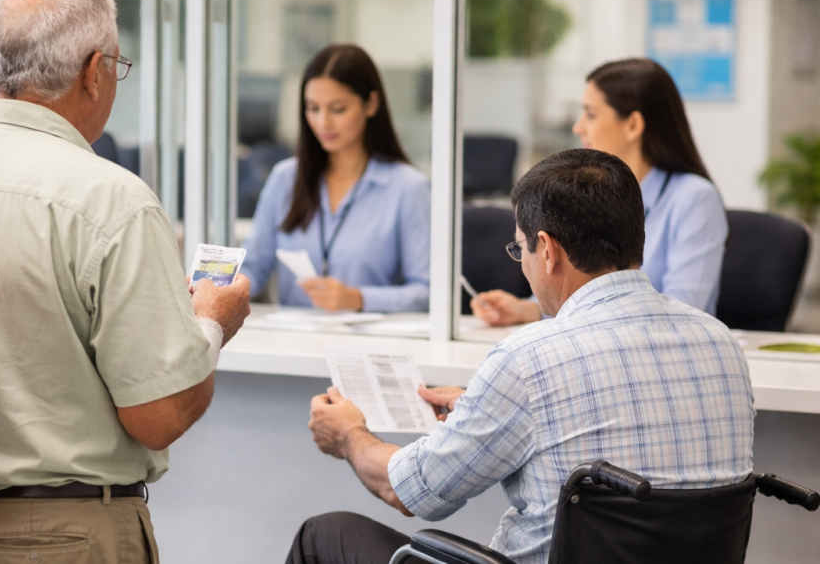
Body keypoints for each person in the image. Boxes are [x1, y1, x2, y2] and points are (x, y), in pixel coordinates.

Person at [0, 0, 252, 564]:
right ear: (94, 71)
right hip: (61, 538)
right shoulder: (112, 200)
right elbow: (159, 414)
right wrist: (212, 322)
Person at [289, 149, 754, 564]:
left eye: (520, 248)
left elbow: (410, 490)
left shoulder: (529, 359)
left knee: (324, 535)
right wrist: (484, 406)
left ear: (547, 250)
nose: (524, 263)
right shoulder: (722, 346)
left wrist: (349, 434)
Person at [474, 58, 727, 325]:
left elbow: (684, 307)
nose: (578, 127)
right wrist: (528, 309)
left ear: (632, 125)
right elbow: (579, 278)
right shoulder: (595, 194)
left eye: (591, 114)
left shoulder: (695, 198)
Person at [240, 44, 431, 312]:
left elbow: (428, 293)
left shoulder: (409, 188)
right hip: (291, 335)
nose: (323, 123)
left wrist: (359, 299)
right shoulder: (285, 179)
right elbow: (255, 265)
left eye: (338, 109)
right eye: (313, 108)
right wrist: (221, 287)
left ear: (371, 104)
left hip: (372, 336)